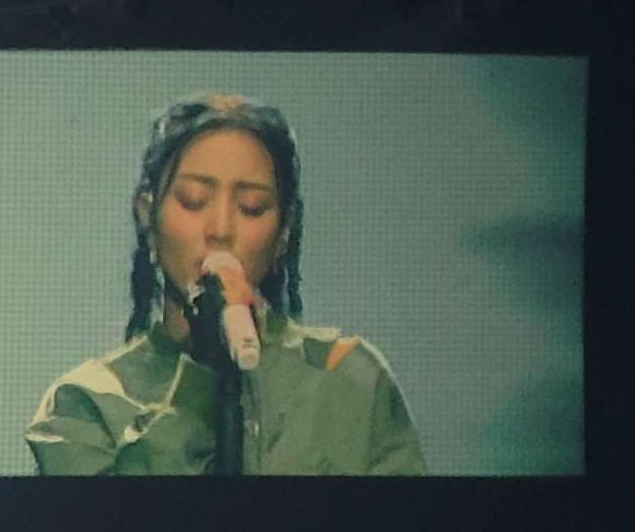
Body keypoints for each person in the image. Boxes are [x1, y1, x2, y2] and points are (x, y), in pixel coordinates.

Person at [22, 92, 424, 477]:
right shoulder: (83, 404)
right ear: (147, 212)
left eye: (251, 207)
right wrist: (199, 374)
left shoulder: (349, 378)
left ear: (284, 231)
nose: (220, 230)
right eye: (193, 200)